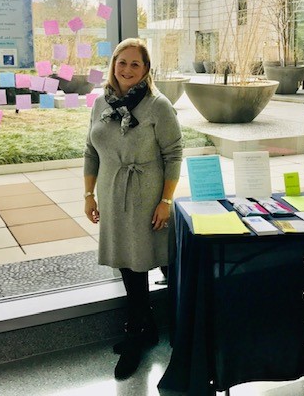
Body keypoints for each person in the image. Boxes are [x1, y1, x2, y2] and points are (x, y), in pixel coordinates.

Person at [83, 38, 183, 380]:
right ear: (113, 65)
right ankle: (146, 328)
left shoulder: (158, 105)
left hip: (147, 196)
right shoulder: (101, 103)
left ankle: (139, 333)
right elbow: (90, 151)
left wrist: (166, 201)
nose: (126, 69)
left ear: (146, 70)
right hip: (112, 195)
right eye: (121, 62)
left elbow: (173, 154)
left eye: (134, 64)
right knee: (128, 262)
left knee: (147, 260)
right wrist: (88, 194)